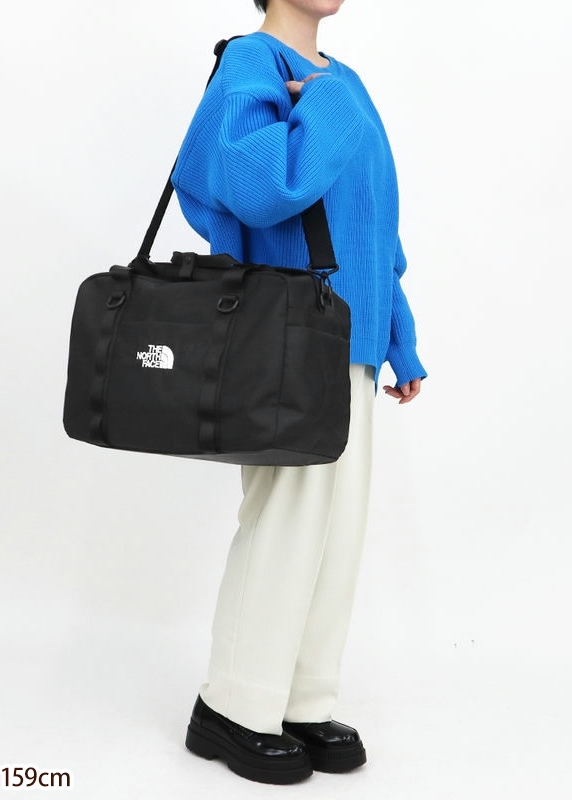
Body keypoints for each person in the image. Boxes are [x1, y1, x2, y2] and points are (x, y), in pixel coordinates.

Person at [170, 0, 426, 785]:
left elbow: (373, 225)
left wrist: (398, 336)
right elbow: (259, 189)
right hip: (284, 336)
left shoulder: (340, 79)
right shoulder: (253, 63)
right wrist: (327, 106)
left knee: (335, 532)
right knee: (288, 522)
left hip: (346, 337)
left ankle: (301, 699)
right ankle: (233, 706)